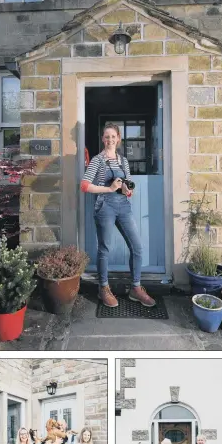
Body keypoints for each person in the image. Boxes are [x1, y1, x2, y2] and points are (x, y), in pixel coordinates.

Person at [80, 122, 156, 309]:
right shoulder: (97, 160)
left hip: (123, 206)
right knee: (105, 248)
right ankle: (103, 288)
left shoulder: (123, 161)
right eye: (107, 137)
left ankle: (136, 288)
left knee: (137, 247)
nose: (110, 140)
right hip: (104, 206)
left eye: (113, 136)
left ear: (118, 139)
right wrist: (109, 188)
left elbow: (128, 187)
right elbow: (84, 185)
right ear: (103, 139)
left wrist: (127, 190)